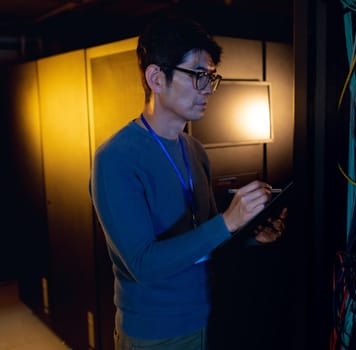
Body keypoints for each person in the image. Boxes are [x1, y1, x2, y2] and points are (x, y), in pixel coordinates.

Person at [89, 15, 286, 350]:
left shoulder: (194, 149)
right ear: (155, 77)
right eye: (197, 75)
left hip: (209, 316)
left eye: (210, 77)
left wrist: (248, 235)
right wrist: (228, 221)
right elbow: (144, 265)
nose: (208, 88)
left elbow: (206, 237)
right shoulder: (115, 158)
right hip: (155, 332)